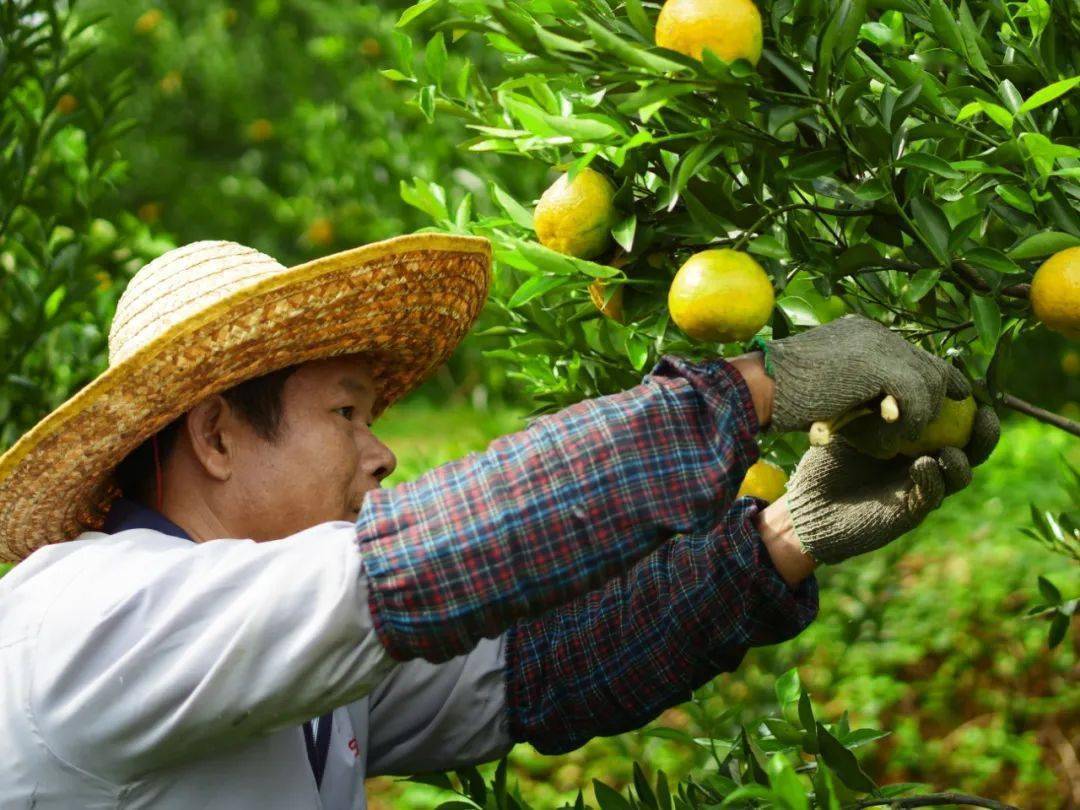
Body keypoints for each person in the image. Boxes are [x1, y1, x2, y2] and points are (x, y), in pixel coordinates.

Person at [0, 236, 998, 809]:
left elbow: (543, 673)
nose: (380, 453)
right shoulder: (85, 620)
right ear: (216, 436)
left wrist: (783, 537)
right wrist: (754, 389)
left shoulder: (295, 664)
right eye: (346, 413)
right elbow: (438, 557)